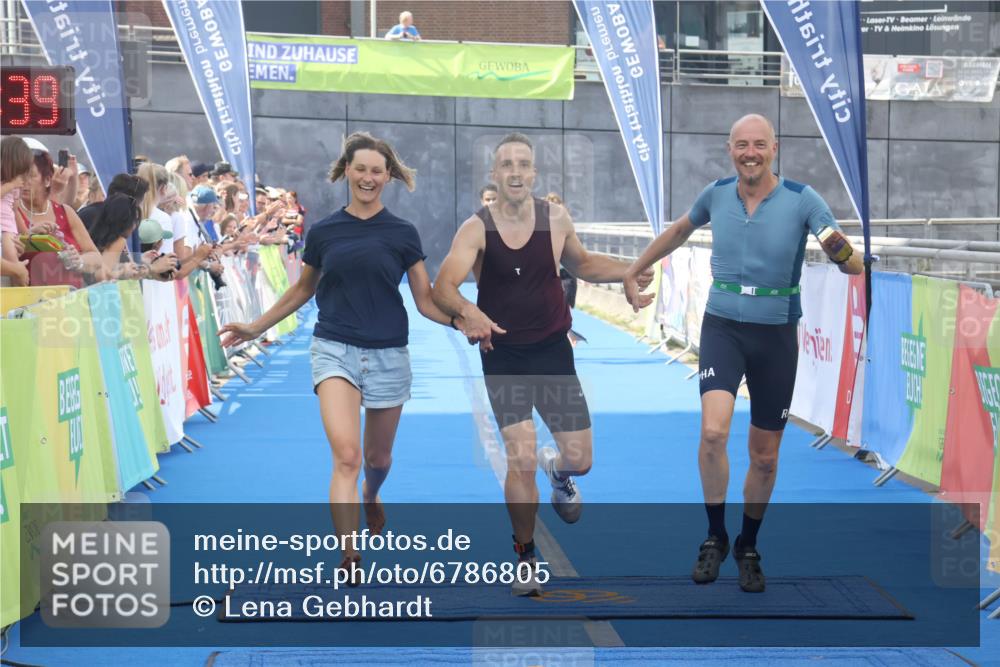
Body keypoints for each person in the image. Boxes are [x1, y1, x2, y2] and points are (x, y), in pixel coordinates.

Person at [623, 114, 864, 593]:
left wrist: (844, 254)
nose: (749, 153)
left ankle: (747, 546)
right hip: (723, 329)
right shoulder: (715, 194)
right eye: (740, 146)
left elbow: (849, 259)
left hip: (775, 335)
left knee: (766, 456)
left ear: (774, 148)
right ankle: (714, 536)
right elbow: (677, 232)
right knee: (713, 431)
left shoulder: (802, 198)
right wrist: (635, 268)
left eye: (759, 145)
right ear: (729, 149)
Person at [218, 131, 454, 582]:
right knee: (346, 455)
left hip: (388, 352)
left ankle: (371, 494)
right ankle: (349, 555)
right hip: (334, 349)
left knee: (377, 461)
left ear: (388, 177)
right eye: (360, 168)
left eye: (376, 171)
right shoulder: (325, 232)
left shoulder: (403, 233)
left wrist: (465, 325)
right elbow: (303, 290)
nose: (368, 177)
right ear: (347, 171)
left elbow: (425, 301)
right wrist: (254, 327)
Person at [432, 132, 654, 596]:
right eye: (506, 164)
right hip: (505, 356)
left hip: (553, 353)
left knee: (581, 460)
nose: (515, 171)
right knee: (521, 458)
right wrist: (470, 312)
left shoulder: (555, 219)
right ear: (494, 174)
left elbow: (586, 263)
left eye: (523, 164)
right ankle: (526, 555)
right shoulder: (476, 228)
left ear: (534, 173)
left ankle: (560, 474)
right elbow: (443, 288)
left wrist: (629, 270)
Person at [15, 149, 103, 286]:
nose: (24, 182)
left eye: (31, 176)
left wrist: (78, 261)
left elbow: (96, 257)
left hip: (69, 299)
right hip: (30, 300)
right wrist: (29, 236)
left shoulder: (65, 212)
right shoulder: (12, 212)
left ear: (47, 180)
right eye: (20, 176)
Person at [544, 192, 587, 346]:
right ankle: (563, 334)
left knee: (565, 305)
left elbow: (579, 253)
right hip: (548, 275)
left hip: (567, 273)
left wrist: (584, 275)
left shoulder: (568, 229)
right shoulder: (538, 230)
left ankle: (567, 332)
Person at [1, 136, 33, 286]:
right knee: (10, 257)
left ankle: (22, 280)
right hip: (2, 223)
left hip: (8, 225)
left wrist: (26, 232)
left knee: (11, 254)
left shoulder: (17, 185)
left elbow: (15, 209)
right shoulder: (8, 183)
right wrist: (11, 185)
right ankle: (19, 274)